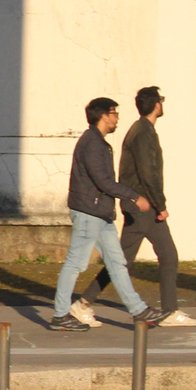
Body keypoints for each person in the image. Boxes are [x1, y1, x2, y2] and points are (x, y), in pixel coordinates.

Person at [81, 86, 196, 327]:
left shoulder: (143, 130)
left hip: (142, 204)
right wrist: (160, 204)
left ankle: (167, 312)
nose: (162, 104)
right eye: (161, 100)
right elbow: (148, 173)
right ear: (156, 104)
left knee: (149, 258)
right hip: (143, 206)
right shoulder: (143, 132)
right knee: (136, 259)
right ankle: (84, 302)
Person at [49, 96, 162, 332]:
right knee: (75, 263)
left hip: (100, 213)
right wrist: (134, 196)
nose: (117, 118)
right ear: (104, 116)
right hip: (90, 212)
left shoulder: (98, 142)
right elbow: (103, 181)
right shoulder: (92, 143)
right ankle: (60, 315)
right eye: (114, 113)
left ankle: (139, 311)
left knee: (117, 262)